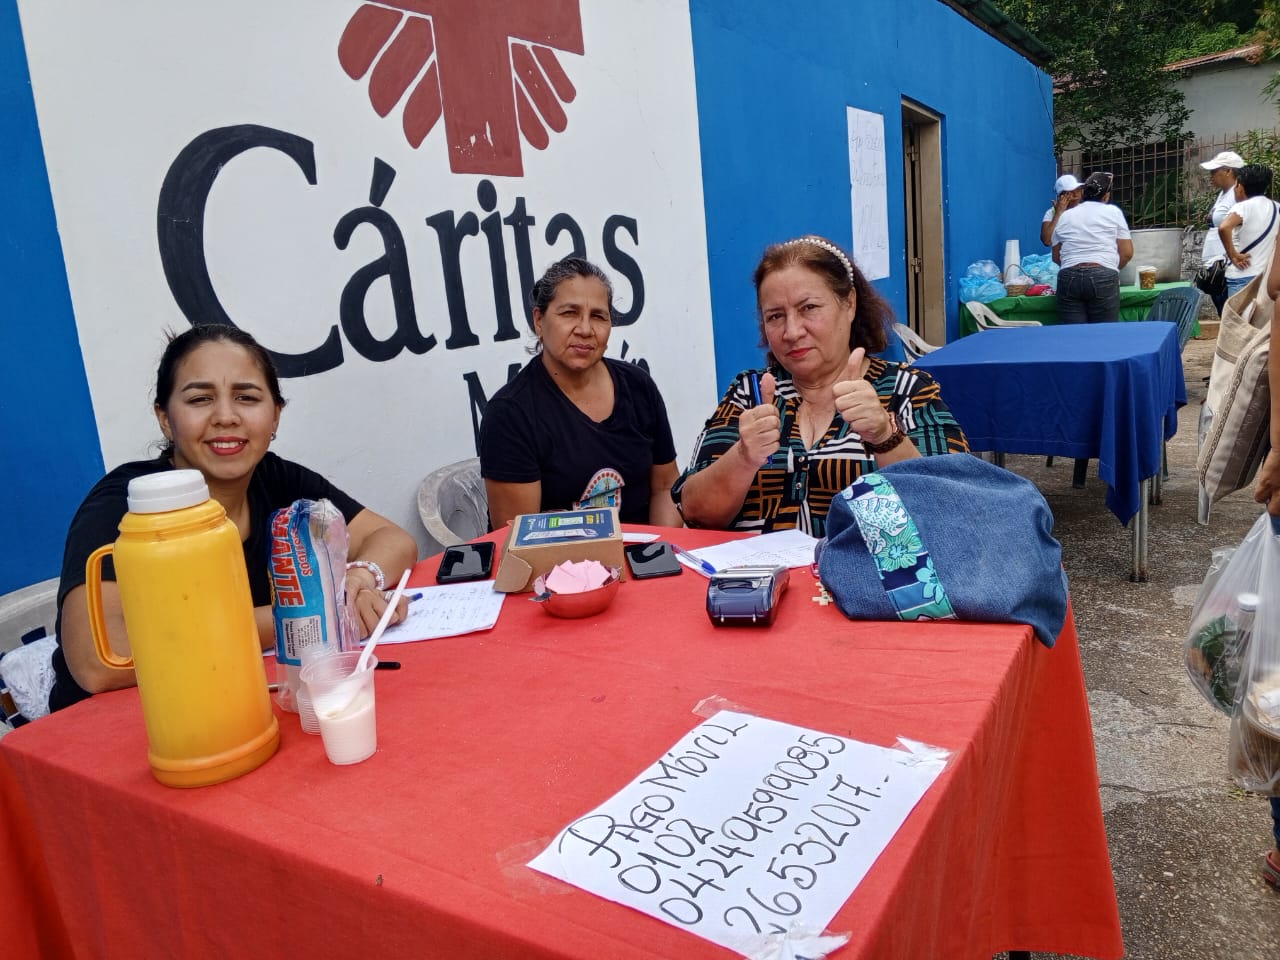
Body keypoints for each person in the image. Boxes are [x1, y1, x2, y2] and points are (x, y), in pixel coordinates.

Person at [49, 324, 418, 712]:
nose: (226, 416)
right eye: (199, 399)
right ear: (164, 417)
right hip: (119, 724)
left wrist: (358, 580)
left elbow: (393, 539)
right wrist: (310, 617)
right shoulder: (128, 505)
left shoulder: (275, 479)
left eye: (246, 397)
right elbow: (101, 664)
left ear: (275, 416)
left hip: (233, 704)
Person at [672, 235, 969, 535]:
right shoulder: (750, 393)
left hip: (865, 579)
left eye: (809, 308)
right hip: (760, 579)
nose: (792, 331)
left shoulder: (906, 390)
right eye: (775, 316)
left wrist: (885, 435)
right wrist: (744, 457)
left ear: (849, 303)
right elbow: (695, 513)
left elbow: (953, 508)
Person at [479, 257, 682, 529]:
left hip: (640, 560)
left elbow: (665, 487)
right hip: (556, 566)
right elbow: (519, 538)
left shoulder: (638, 387)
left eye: (598, 316)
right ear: (539, 321)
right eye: (569, 313)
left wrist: (660, 555)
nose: (585, 329)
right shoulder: (510, 414)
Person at [1051, 171, 1133, 324]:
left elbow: (1056, 257)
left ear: (1083, 193)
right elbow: (1127, 253)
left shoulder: (1065, 216)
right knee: (1104, 336)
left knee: (1074, 336)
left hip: (1069, 277)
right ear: (1106, 196)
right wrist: (1109, 268)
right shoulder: (1113, 212)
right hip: (1103, 276)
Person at [1219, 164, 1278, 299]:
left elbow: (1224, 227)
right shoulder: (1276, 207)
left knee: (1236, 318)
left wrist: (1233, 255)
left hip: (1242, 275)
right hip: (1265, 276)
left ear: (1240, 186)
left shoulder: (1242, 207)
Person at [1199, 151, 1244, 316]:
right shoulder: (1223, 194)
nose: (1211, 176)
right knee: (1222, 312)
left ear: (1229, 171)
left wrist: (1231, 255)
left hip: (1225, 264)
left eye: (1214, 171)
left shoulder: (1237, 193)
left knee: (1229, 313)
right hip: (1215, 266)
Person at [1039, 173, 1084, 247]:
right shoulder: (1052, 212)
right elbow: (1047, 241)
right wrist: (1058, 213)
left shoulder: (1085, 209)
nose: (1076, 194)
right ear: (1061, 196)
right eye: (1071, 192)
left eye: (1078, 189)